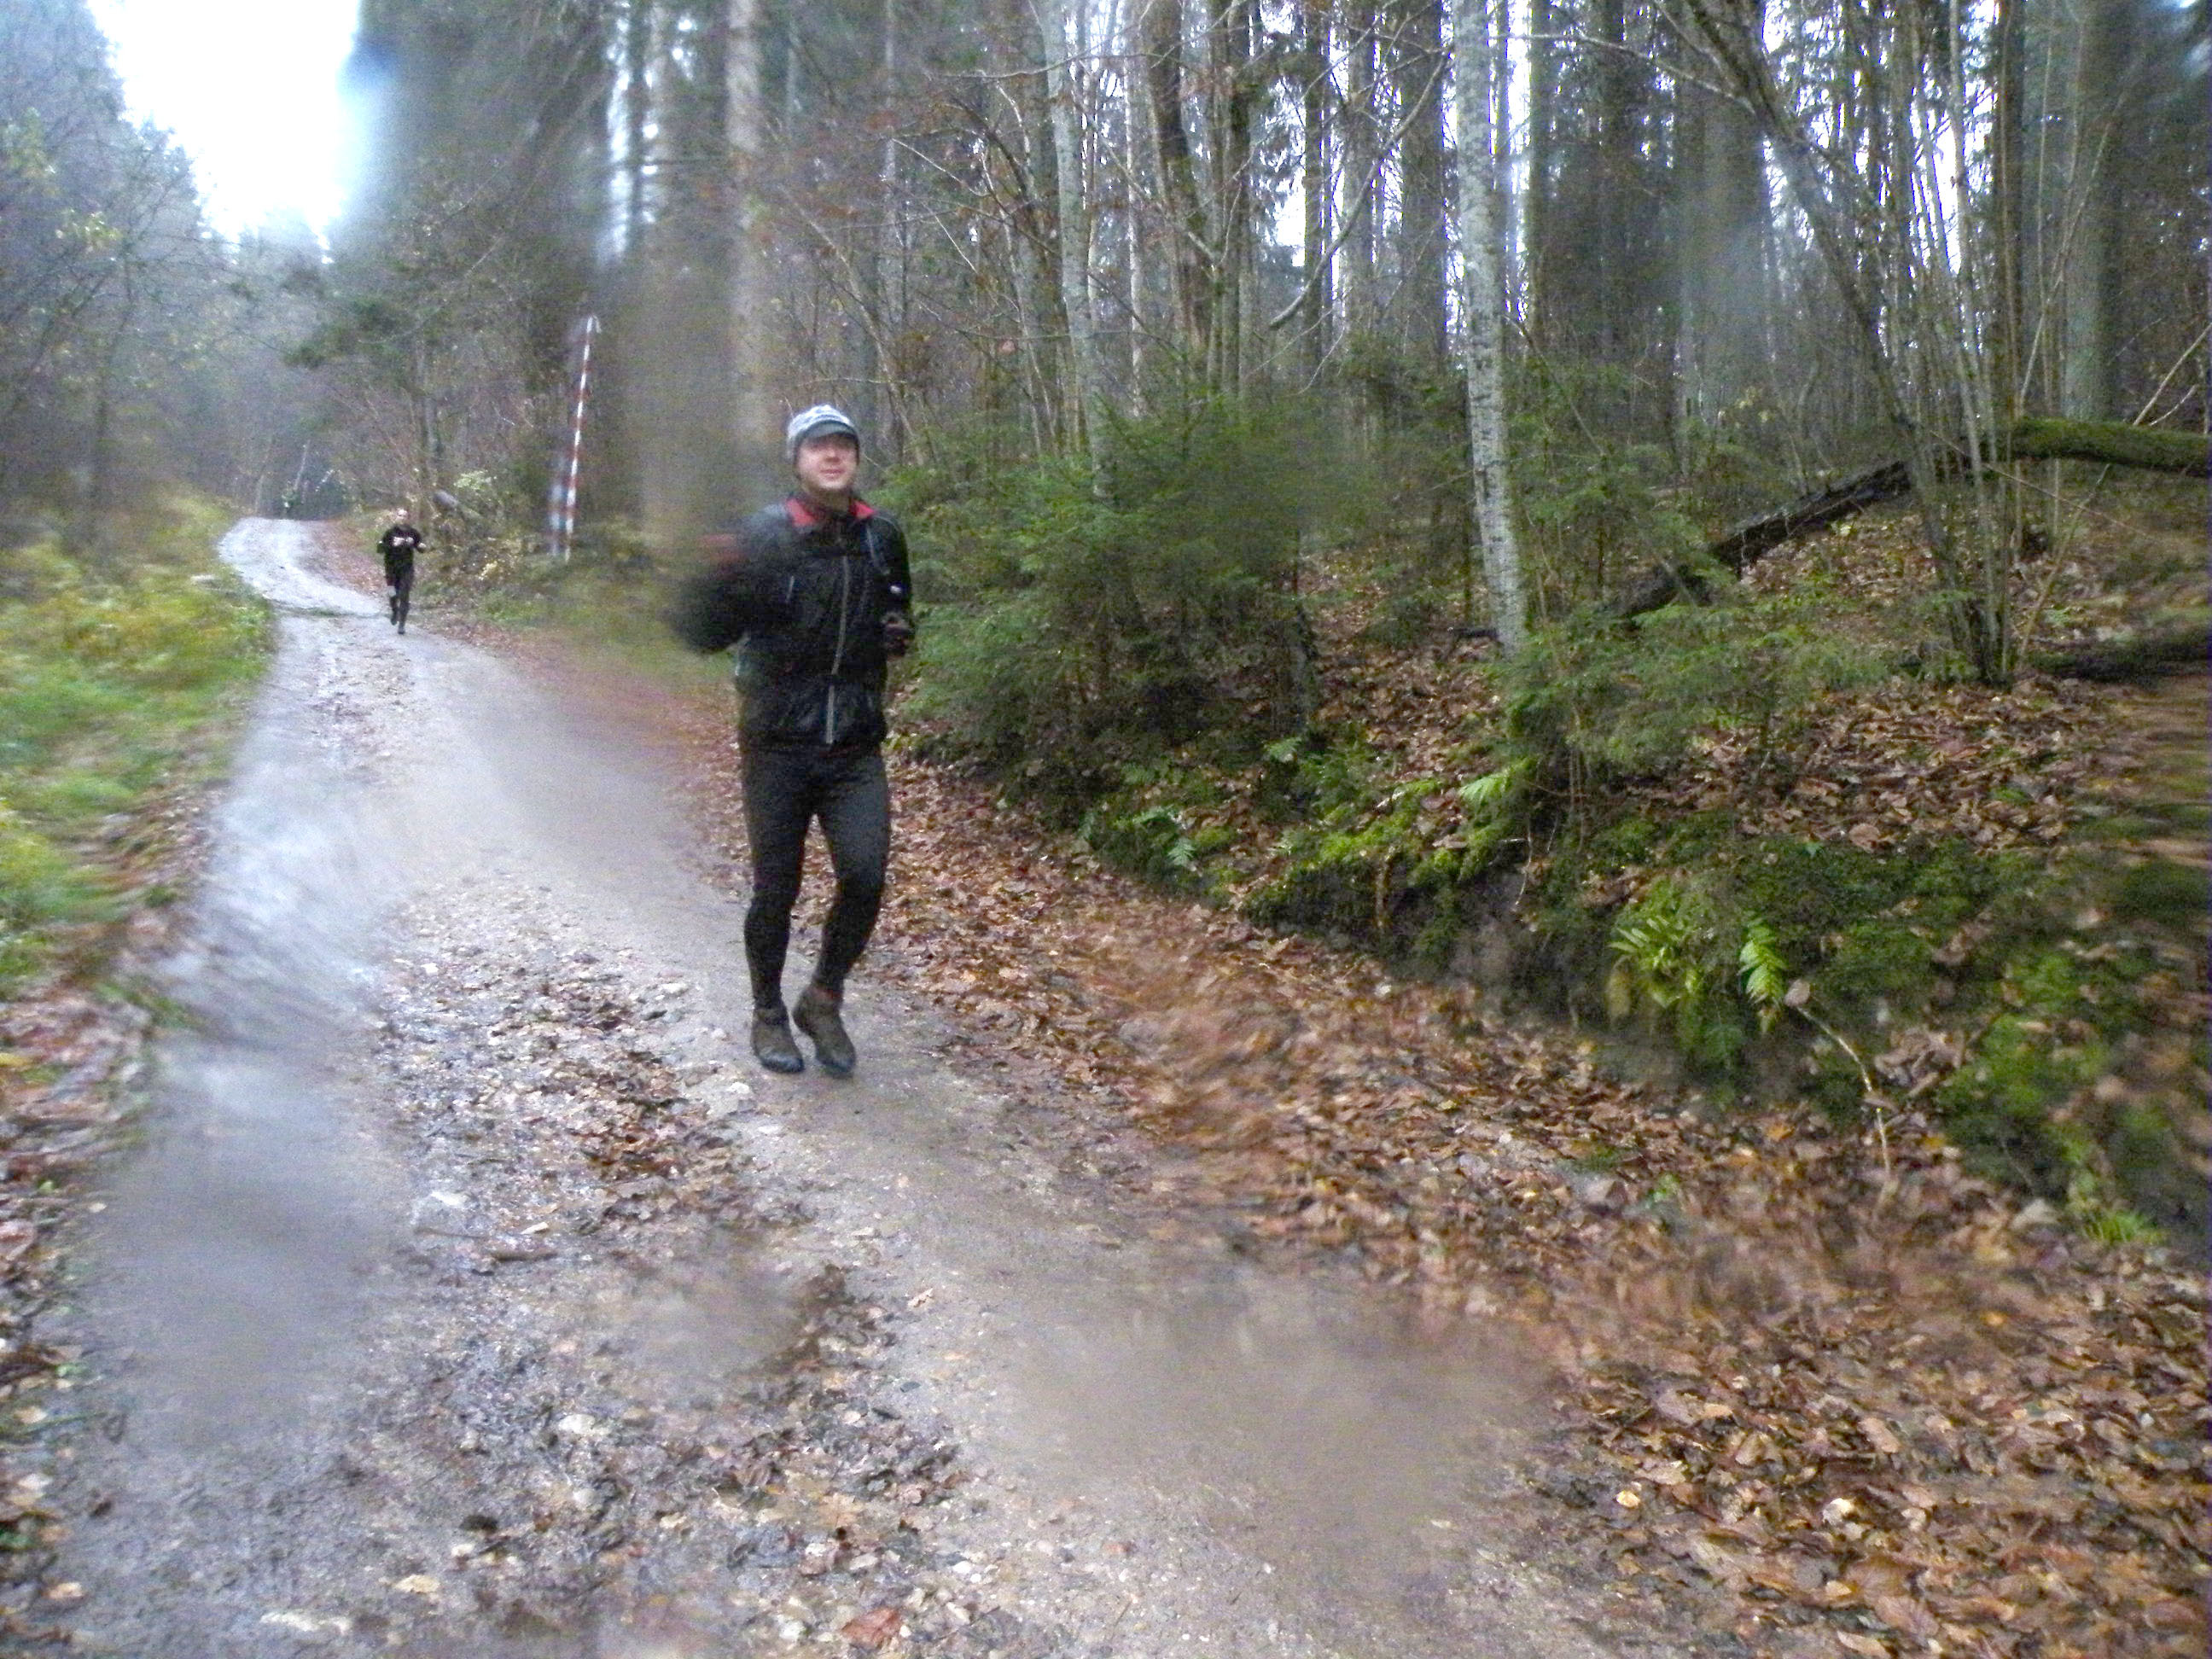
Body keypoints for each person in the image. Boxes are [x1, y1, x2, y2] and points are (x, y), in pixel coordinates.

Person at [670, 405, 915, 1077]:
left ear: (856, 457)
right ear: (797, 460)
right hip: (777, 742)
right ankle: (768, 1012)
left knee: (865, 875)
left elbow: (898, 604)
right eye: (818, 446)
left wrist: (895, 627)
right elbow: (703, 634)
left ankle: (822, 998)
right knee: (776, 887)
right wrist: (714, 577)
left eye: (844, 445)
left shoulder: (882, 535)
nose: (833, 456)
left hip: (855, 742)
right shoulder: (763, 534)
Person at [378, 507, 423, 632]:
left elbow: (421, 547)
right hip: (391, 569)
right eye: (400, 515)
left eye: (405, 516)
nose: (402, 518)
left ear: (408, 518)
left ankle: (402, 624)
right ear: (396, 517)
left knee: (404, 595)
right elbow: (380, 549)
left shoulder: (413, 533)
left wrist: (419, 545)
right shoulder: (389, 533)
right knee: (392, 593)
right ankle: (394, 610)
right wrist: (393, 545)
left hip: (406, 569)